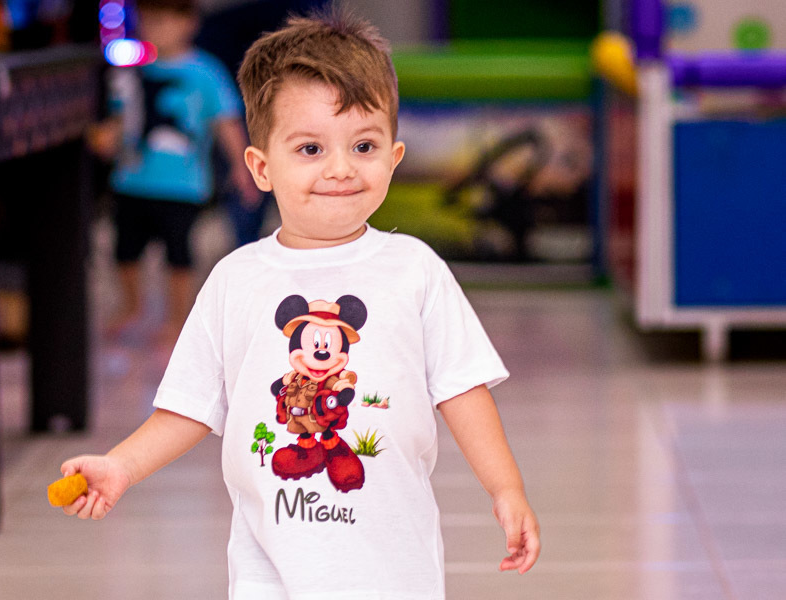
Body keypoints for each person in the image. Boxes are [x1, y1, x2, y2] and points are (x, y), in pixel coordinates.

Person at [61, 8, 540, 598]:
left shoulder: (415, 270)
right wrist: (121, 465)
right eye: (311, 148)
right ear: (262, 167)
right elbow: (189, 406)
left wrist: (506, 488)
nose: (340, 168)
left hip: (393, 573)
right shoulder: (236, 280)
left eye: (363, 145)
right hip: (271, 573)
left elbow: (462, 390)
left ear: (393, 158)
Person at [89, 0, 259, 344]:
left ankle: (177, 318)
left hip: (183, 186)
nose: (156, 29)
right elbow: (122, 119)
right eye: (149, 21)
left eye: (165, 21)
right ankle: (131, 306)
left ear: (189, 23)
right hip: (131, 181)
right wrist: (106, 137)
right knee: (124, 251)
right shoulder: (132, 71)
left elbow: (226, 122)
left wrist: (243, 167)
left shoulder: (206, 71)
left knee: (178, 255)